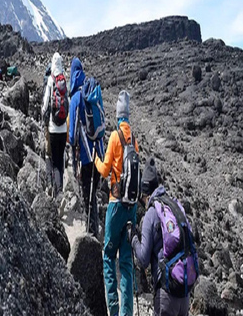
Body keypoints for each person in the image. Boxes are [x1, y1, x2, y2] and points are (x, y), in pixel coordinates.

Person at [131, 158, 197, 316]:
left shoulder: (152, 213)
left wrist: (133, 238)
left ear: (144, 194)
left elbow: (143, 259)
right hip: (184, 292)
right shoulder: (172, 204)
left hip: (166, 294)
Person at [94, 90, 139, 316]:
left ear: (118, 115)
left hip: (115, 204)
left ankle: (112, 308)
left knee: (108, 256)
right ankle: (126, 313)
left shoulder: (114, 137)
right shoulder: (134, 140)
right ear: (128, 116)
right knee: (127, 264)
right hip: (132, 208)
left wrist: (96, 159)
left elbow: (104, 170)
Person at [68, 57, 104, 238]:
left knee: (87, 196)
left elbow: (73, 134)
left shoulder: (75, 98)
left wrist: (73, 151)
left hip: (85, 156)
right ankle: (94, 230)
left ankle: (90, 236)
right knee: (94, 195)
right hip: (99, 154)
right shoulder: (94, 93)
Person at [42, 52, 68, 196]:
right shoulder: (64, 80)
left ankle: (56, 192)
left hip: (53, 128)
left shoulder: (51, 81)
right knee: (60, 161)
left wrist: (43, 115)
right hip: (63, 129)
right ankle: (60, 190)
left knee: (53, 159)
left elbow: (46, 104)